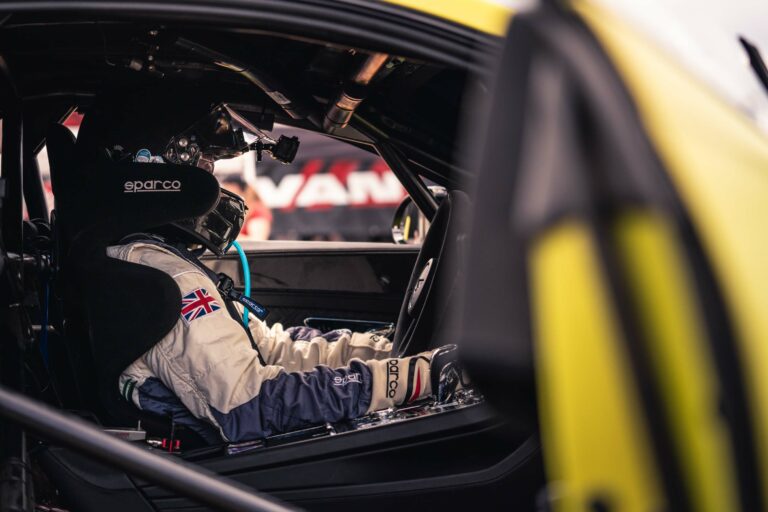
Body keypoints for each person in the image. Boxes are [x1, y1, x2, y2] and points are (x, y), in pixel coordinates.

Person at [76, 91, 463, 443]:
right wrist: (417, 377)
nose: (211, 178)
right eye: (202, 163)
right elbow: (252, 405)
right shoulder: (163, 276)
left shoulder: (151, 260)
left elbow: (273, 349)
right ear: (157, 171)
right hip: (218, 473)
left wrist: (383, 352)